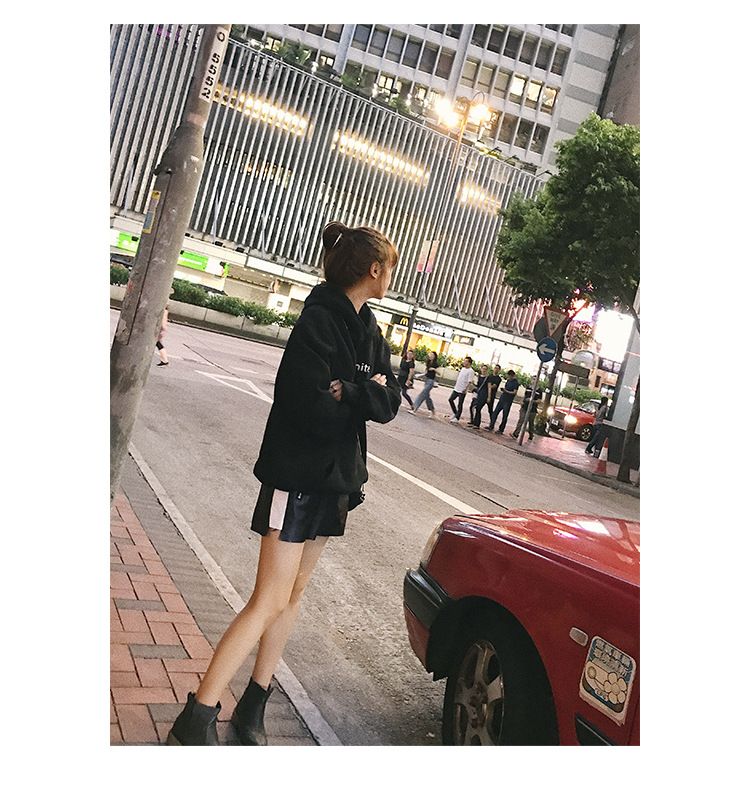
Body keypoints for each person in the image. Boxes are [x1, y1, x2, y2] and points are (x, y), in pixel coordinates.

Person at [167, 221, 401, 746]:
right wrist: (362, 393)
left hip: (336, 481)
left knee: (292, 594)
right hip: (296, 477)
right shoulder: (319, 320)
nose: (391, 277)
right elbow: (307, 406)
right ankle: (196, 715)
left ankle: (254, 703)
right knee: (269, 598)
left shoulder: (370, 330)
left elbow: (390, 400)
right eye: (389, 268)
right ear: (373, 270)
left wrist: (351, 391)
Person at [487, 369, 519, 433]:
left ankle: (501, 429)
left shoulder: (516, 383)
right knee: (495, 412)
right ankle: (491, 425)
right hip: (502, 398)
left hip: (508, 400)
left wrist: (507, 391)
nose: (509, 377)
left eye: (510, 376)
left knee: (505, 415)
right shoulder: (508, 381)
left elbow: (514, 392)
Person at [408, 351, 440, 417]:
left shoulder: (435, 364)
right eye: (430, 354)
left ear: (434, 357)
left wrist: (434, 369)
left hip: (431, 381)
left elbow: (439, 373)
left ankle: (415, 409)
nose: (430, 356)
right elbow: (427, 372)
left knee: (422, 394)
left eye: (432, 355)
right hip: (427, 380)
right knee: (427, 397)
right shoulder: (428, 363)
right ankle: (433, 411)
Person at [449, 357, 475, 423]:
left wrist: (466, 389)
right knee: (450, 399)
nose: (464, 362)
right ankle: (455, 413)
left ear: (469, 363)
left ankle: (457, 417)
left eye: (466, 361)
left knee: (460, 404)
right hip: (457, 388)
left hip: (462, 389)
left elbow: (470, 381)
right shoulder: (463, 369)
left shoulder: (471, 371)